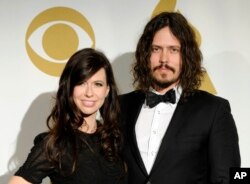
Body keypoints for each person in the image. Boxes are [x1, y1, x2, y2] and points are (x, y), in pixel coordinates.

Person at [119, 12, 240, 184]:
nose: (163, 59)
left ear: (186, 56)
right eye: (156, 49)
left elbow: (230, 176)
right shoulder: (120, 106)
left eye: (173, 50)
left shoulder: (213, 110)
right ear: (145, 55)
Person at [8, 48, 127, 184]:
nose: (89, 93)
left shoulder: (114, 138)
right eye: (81, 83)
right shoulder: (57, 144)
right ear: (69, 88)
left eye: (97, 84)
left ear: (107, 90)